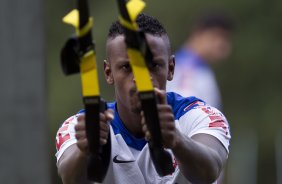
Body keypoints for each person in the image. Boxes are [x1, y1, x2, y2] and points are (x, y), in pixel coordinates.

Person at [55, 13, 231, 184]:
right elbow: (70, 178)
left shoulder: (201, 116)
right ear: (109, 73)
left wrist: (177, 141)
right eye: (126, 67)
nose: (142, 78)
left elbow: (209, 170)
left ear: (170, 68)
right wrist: (84, 150)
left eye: (154, 65)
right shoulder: (82, 125)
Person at [166, 12, 234, 110]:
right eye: (216, 36)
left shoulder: (198, 67)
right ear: (198, 33)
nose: (221, 44)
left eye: (226, 38)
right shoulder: (187, 69)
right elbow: (183, 113)